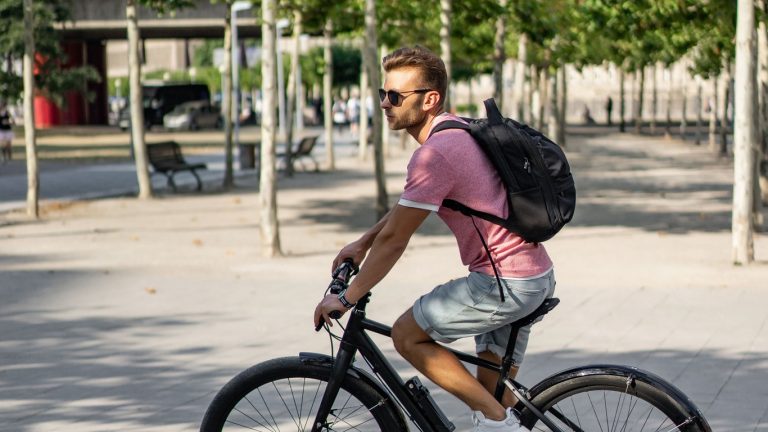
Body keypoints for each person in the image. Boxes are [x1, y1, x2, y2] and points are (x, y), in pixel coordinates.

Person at [313, 46, 555, 432]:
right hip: (531, 274)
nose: (385, 104)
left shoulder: (436, 154)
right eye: (383, 94)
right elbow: (408, 209)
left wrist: (347, 297)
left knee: (407, 336)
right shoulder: (457, 130)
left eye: (396, 96)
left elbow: (396, 240)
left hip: (504, 283)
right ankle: (501, 419)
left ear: (430, 100)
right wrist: (363, 241)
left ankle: (500, 423)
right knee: (492, 398)